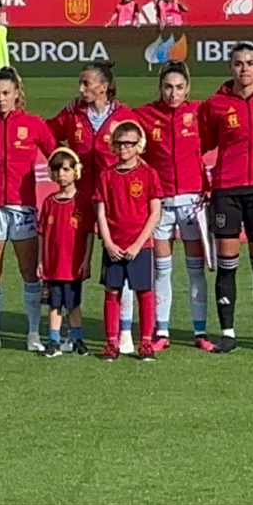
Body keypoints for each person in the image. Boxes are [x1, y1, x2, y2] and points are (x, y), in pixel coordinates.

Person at [198, 43, 253, 354]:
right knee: (227, 264)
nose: (245, 68)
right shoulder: (215, 104)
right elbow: (201, 143)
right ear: (230, 68)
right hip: (226, 190)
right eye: (239, 63)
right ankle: (227, 333)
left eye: (250, 63)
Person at [47, 61, 143, 353]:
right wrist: (62, 164)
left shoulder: (125, 116)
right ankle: (70, 332)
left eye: (86, 83)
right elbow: (48, 134)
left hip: (115, 204)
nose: (81, 89)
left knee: (120, 267)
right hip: (78, 202)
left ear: (104, 86)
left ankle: (124, 331)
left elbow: (140, 151)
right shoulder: (72, 113)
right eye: (81, 83)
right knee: (70, 266)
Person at [0, 67, 56, 352]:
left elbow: (57, 155)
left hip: (23, 208)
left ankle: (33, 333)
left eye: (6, 93)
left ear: (16, 93)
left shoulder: (33, 124)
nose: (0, 99)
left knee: (29, 272)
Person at [133, 61, 214, 352]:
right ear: (160, 87)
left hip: (193, 203)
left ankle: (200, 331)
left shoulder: (200, 112)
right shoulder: (144, 114)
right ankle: (162, 331)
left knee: (196, 270)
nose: (173, 93)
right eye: (168, 87)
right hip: (161, 203)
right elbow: (118, 121)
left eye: (179, 87)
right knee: (162, 270)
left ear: (188, 88)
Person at [95, 121, 162, 361]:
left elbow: (155, 212)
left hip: (140, 246)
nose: (124, 148)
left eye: (129, 144)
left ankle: (146, 342)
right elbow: (101, 212)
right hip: (114, 245)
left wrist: (137, 244)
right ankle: (111, 343)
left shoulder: (148, 174)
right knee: (112, 292)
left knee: (144, 293)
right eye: (119, 144)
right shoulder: (106, 175)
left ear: (138, 145)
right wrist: (108, 243)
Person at [38, 148, 94, 358]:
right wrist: (41, 261)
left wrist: (86, 260)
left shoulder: (83, 201)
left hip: (72, 265)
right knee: (54, 305)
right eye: (57, 170)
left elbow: (89, 234)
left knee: (73, 304)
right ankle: (53, 340)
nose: (61, 174)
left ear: (75, 171)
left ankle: (77, 339)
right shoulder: (49, 202)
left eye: (66, 169)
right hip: (52, 265)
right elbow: (42, 233)